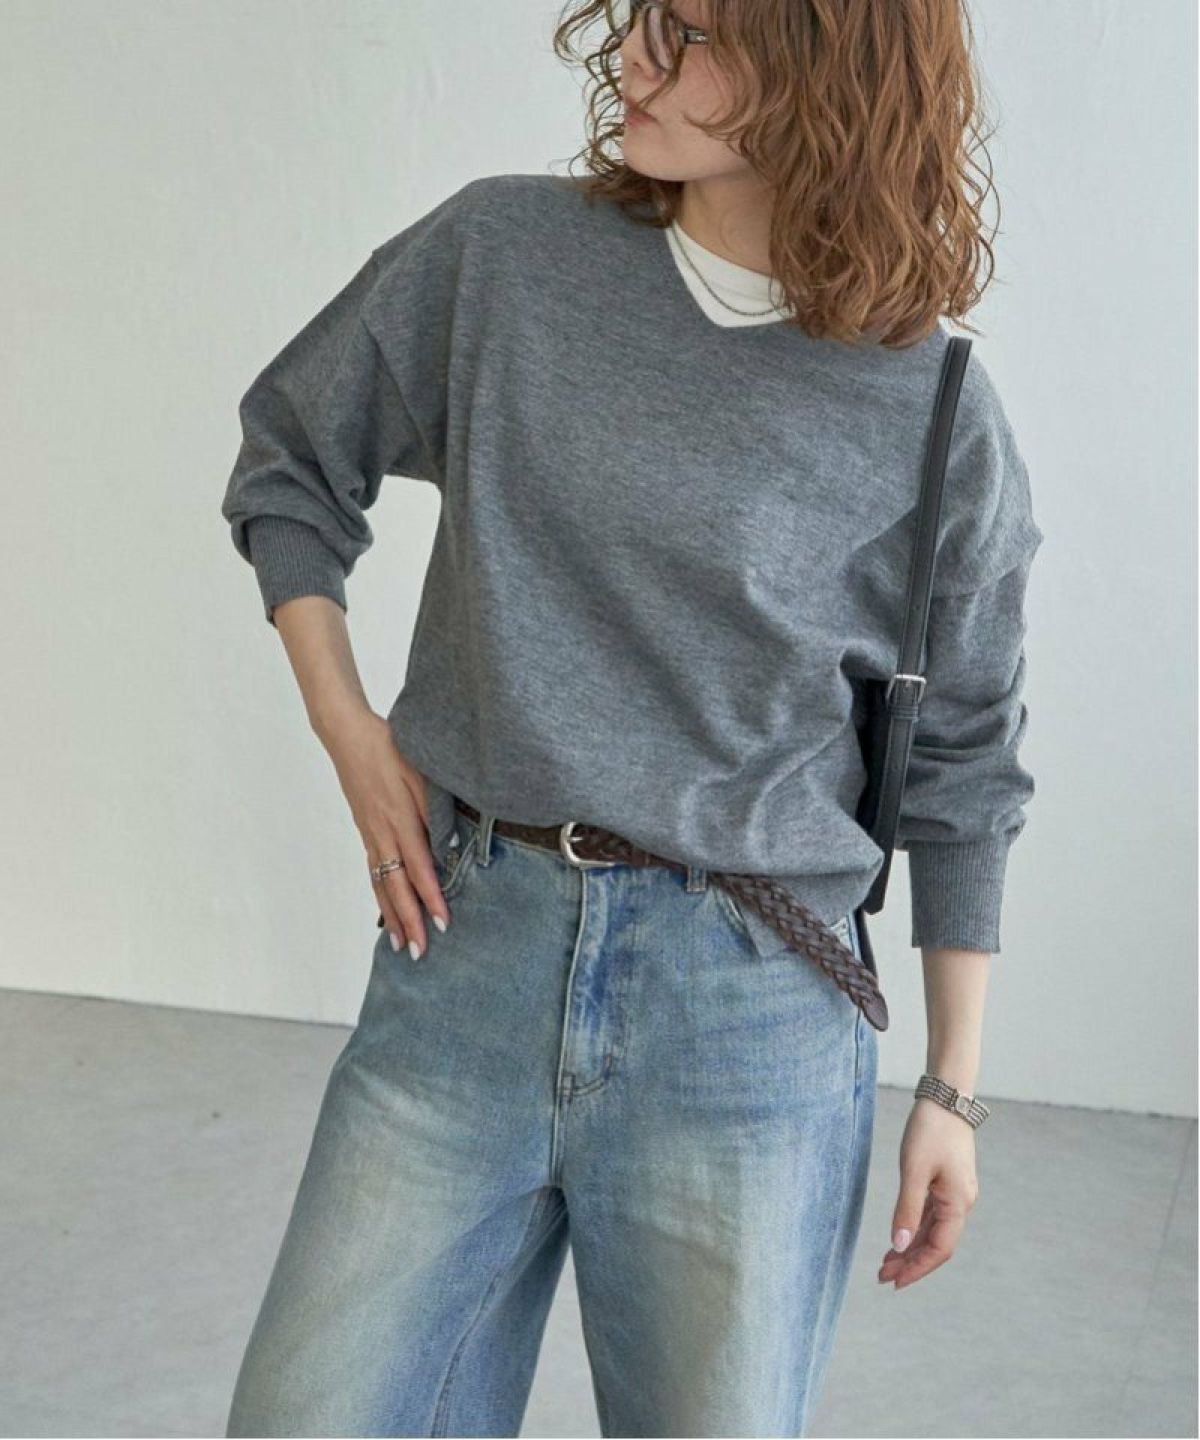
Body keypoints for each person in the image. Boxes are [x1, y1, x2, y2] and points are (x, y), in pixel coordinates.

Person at [219, 1, 1044, 1434]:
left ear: (827, 73)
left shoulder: (933, 409)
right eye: (640, 17)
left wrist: (951, 1091)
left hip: (749, 1013)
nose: (634, 61)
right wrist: (351, 734)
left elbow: (965, 766)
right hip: (465, 954)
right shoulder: (505, 256)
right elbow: (292, 456)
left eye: (694, 32)